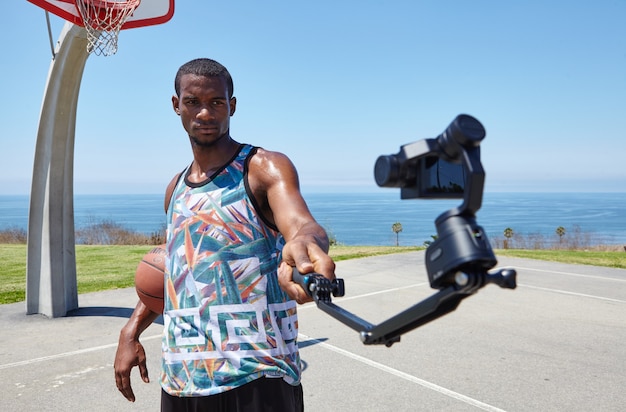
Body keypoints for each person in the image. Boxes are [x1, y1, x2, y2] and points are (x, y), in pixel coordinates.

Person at [114, 58, 336, 411]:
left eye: (216, 102)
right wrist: (131, 330)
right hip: (182, 379)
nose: (205, 112)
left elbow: (301, 224)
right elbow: (178, 269)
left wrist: (304, 244)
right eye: (193, 102)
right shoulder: (175, 189)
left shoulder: (262, 167)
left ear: (231, 106)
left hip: (257, 375)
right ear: (177, 106)